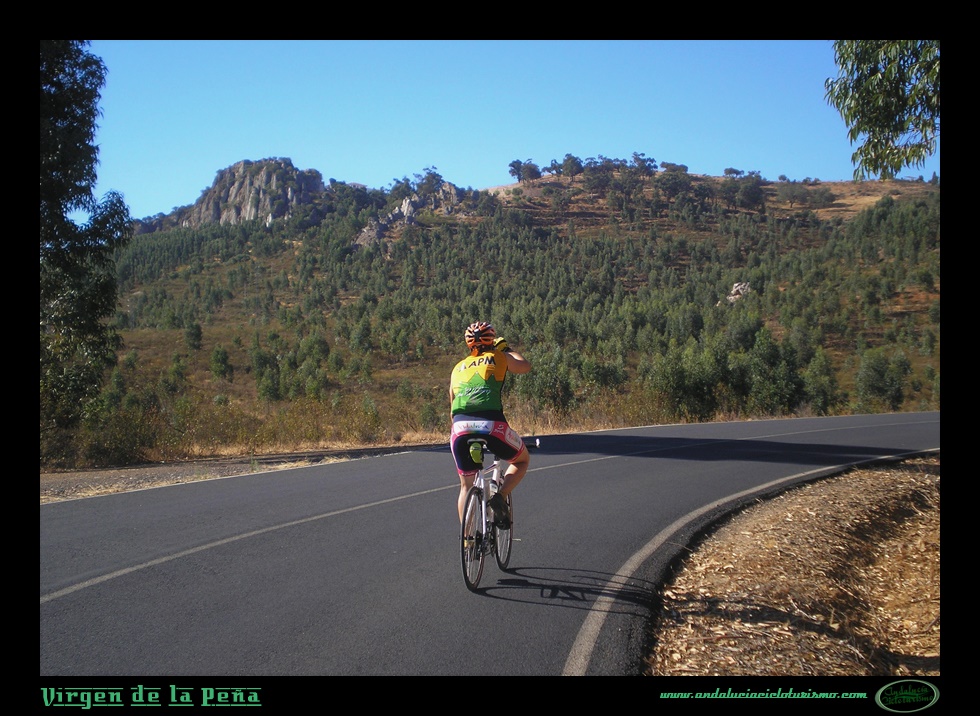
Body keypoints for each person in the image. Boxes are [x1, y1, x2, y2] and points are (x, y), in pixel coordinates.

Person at [449, 321, 532, 528]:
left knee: (465, 486)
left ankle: (468, 539)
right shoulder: (499, 356)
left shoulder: (457, 368)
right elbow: (525, 366)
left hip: (460, 427)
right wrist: (507, 349)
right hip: (491, 424)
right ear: (492, 340)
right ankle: (500, 496)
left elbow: (452, 404)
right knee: (521, 460)